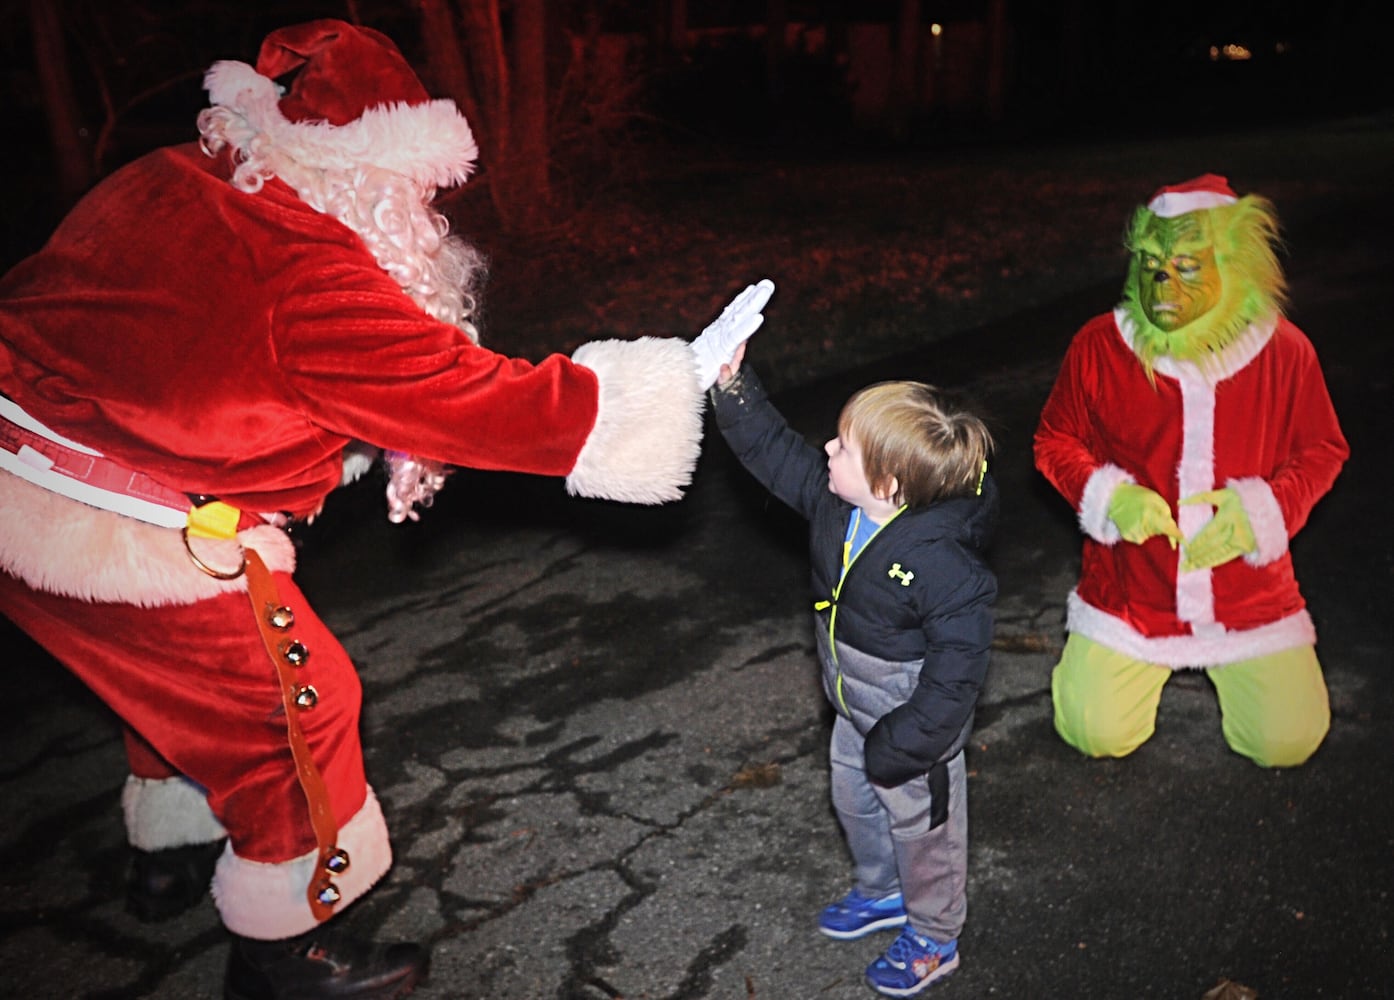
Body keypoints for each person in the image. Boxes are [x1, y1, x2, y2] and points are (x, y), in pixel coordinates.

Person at [0, 18, 772, 1000]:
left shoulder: (176, 174)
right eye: (417, 190)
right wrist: (672, 379)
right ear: (368, 171)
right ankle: (285, 950)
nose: (428, 214)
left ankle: (167, 853)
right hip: (108, 514)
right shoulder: (311, 268)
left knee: (167, 685)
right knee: (291, 707)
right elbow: (469, 396)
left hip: (20, 457)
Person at [710, 342, 997, 997]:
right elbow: (775, 452)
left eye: (842, 447)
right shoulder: (841, 504)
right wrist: (734, 387)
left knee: (926, 834)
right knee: (853, 802)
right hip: (851, 705)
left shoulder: (944, 565)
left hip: (910, 729)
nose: (826, 451)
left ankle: (933, 935)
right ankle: (882, 891)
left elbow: (958, 670)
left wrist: (912, 741)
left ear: (890, 485)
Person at [1034, 174, 1349, 769]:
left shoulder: (1285, 353)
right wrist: (1108, 498)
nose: (1162, 284)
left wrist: (1267, 511)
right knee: (1093, 730)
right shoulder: (1100, 346)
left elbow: (1323, 448)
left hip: (1251, 602)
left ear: (1233, 265)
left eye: (1185, 265)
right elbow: (1056, 438)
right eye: (1151, 263)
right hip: (1130, 595)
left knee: (1286, 741)